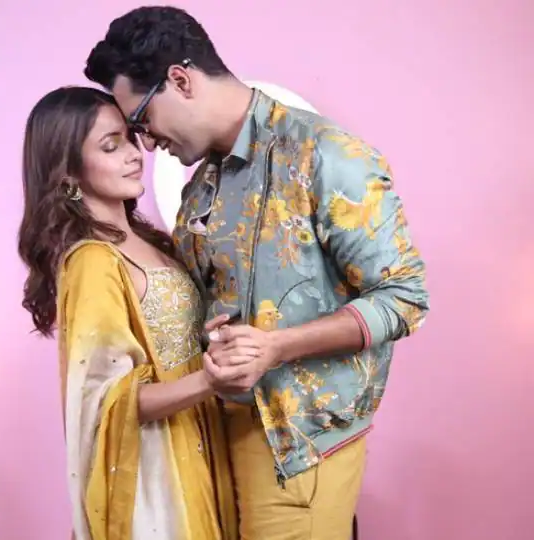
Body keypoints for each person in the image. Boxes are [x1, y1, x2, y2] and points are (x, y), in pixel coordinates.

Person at [84, 7, 430, 540]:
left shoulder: (324, 154)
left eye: (142, 121)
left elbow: (405, 297)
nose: (146, 143)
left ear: (180, 80)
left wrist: (277, 346)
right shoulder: (201, 186)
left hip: (300, 445)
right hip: (220, 441)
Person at [17, 86, 238, 540]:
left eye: (130, 138)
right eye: (110, 146)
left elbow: (168, 342)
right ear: (68, 174)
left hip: (198, 435)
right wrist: (209, 380)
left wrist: (209, 341)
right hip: (157, 469)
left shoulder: (147, 241)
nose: (134, 154)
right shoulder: (93, 261)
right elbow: (108, 401)